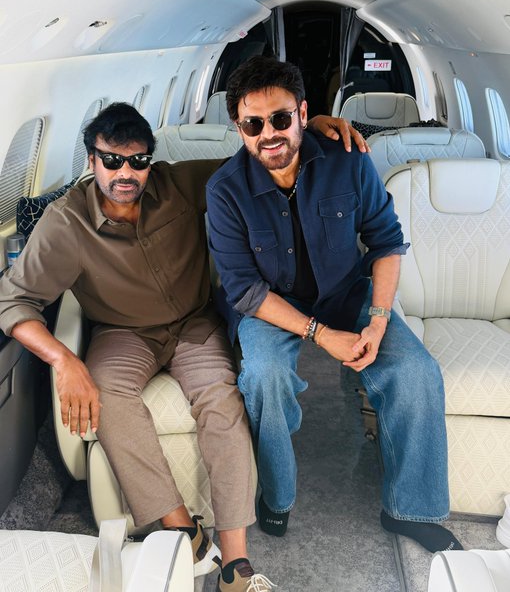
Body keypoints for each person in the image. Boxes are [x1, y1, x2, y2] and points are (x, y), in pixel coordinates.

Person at [0, 101, 364, 592]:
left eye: (138, 161)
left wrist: (308, 127)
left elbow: (258, 161)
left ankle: (236, 565)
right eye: (112, 160)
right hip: (121, 333)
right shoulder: (65, 223)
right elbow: (13, 301)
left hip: (195, 324)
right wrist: (64, 359)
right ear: (91, 160)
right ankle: (182, 529)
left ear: (150, 160)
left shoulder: (180, 183)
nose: (125, 173)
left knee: (221, 400)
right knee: (108, 395)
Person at [206, 55, 464, 554]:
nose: (269, 134)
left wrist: (379, 320)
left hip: (346, 291)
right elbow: (246, 291)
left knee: (416, 371)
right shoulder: (225, 191)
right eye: (253, 125)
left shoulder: (348, 160)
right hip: (270, 304)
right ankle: (277, 496)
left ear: (303, 113)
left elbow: (387, 242)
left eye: (280, 118)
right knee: (265, 377)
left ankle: (411, 510)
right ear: (239, 128)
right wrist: (321, 336)